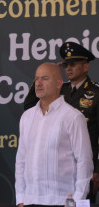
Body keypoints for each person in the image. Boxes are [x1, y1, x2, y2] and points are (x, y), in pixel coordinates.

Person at [16, 63, 93, 207]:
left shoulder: (73, 117)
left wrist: (77, 200)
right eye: (37, 78)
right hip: (30, 203)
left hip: (61, 203)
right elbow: (21, 160)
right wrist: (21, 197)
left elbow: (84, 161)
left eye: (45, 78)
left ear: (59, 83)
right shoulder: (27, 117)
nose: (38, 83)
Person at [23, 42, 99, 197]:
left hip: (85, 165)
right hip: (58, 168)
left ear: (86, 67)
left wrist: (97, 169)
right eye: (66, 65)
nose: (68, 68)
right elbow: (29, 105)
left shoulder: (96, 92)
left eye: (73, 64)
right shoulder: (59, 89)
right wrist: (43, 78)